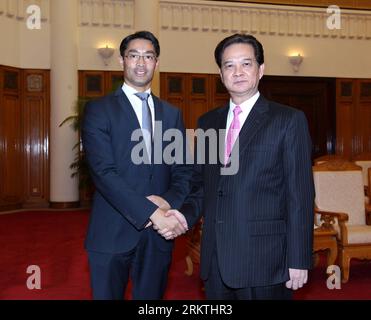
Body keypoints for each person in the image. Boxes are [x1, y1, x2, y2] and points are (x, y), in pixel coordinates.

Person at [170, 33, 315, 300]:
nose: (237, 72)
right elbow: (203, 185)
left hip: (265, 259)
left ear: (261, 70)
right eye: (229, 65)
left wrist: (299, 257)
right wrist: (182, 216)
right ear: (221, 74)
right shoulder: (207, 123)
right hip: (216, 259)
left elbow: (300, 196)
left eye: (246, 64)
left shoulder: (288, 120)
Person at [81, 31, 192, 300]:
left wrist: (167, 202)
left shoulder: (171, 114)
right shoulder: (99, 110)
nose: (141, 63)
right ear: (122, 61)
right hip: (111, 232)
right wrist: (152, 212)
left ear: (156, 62)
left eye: (148, 56)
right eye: (133, 55)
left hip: (158, 236)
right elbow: (104, 174)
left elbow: (182, 171)